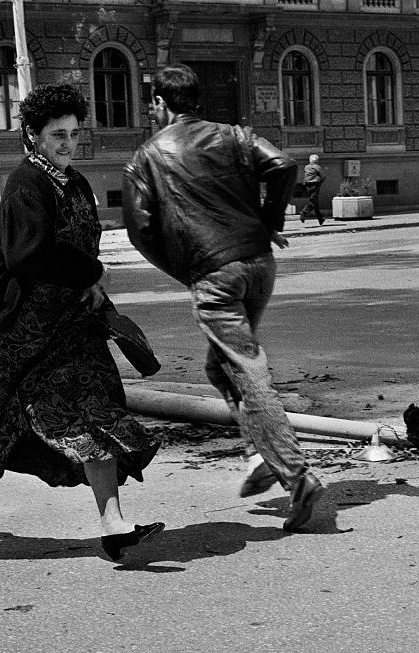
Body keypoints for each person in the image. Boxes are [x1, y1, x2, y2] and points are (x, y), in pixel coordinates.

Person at [0, 83, 164, 562]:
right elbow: (27, 256)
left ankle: (113, 524)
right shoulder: (25, 184)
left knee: (93, 411)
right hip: (17, 326)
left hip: (71, 327)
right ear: (33, 136)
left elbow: (83, 249)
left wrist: (93, 288)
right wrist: (89, 273)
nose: (68, 143)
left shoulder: (75, 183)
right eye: (57, 134)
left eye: (74, 134)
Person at [122, 64, 325, 531]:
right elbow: (283, 165)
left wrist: (187, 269)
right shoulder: (234, 135)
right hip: (259, 265)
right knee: (220, 367)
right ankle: (258, 452)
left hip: (215, 275)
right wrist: (269, 221)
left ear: (159, 104)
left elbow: (141, 230)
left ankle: (297, 477)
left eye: (151, 104)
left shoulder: (147, 156)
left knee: (249, 373)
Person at [299, 154, 326, 225]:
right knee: (312, 201)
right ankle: (304, 212)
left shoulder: (306, 167)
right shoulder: (317, 167)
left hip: (307, 185)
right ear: (317, 161)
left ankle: (321, 218)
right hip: (315, 185)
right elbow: (323, 176)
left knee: (315, 201)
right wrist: (321, 181)